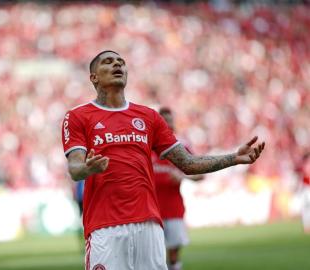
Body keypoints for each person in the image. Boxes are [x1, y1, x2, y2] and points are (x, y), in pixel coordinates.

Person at [61, 50, 265, 270]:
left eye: (121, 62)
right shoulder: (78, 116)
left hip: (149, 225)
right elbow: (74, 168)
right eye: (108, 62)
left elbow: (188, 163)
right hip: (105, 227)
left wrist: (233, 158)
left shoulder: (148, 117)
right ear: (94, 77)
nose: (117, 65)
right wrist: (87, 168)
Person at [152, 107, 204, 270]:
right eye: (164, 120)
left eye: (170, 120)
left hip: (173, 208)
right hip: (151, 210)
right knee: (154, 254)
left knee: (173, 253)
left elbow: (200, 173)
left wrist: (183, 176)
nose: (168, 124)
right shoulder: (148, 147)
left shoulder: (181, 146)